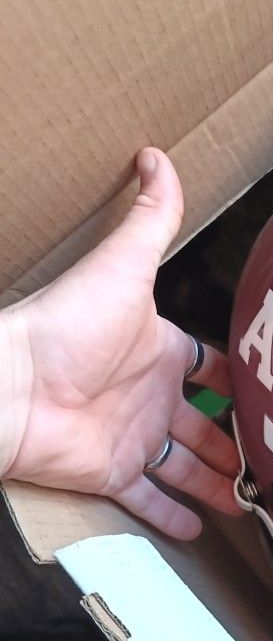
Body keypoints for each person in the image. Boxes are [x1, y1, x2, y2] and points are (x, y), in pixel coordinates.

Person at [0, 148, 242, 540]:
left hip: (171, 376)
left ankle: (192, 292)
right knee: (214, 388)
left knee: (214, 386)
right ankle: (193, 293)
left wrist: (18, 374)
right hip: (178, 379)